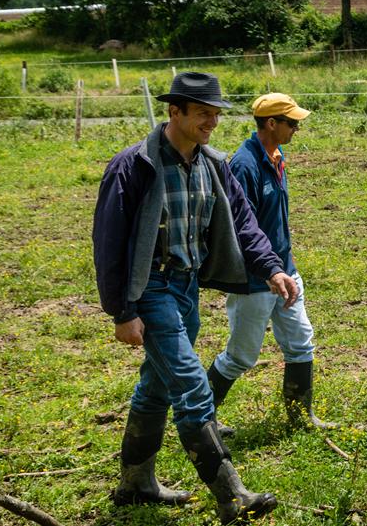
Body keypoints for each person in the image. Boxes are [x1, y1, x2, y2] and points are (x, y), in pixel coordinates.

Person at [93, 71, 297, 523]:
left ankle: (136, 482)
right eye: (203, 113)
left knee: (158, 384)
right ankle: (232, 495)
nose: (212, 121)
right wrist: (121, 313)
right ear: (174, 111)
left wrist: (272, 268)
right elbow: (108, 244)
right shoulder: (133, 166)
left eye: (216, 114)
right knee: (190, 383)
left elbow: (244, 223)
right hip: (151, 290)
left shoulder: (213, 164)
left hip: (186, 288)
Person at [208, 93, 335, 432]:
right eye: (292, 123)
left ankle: (300, 418)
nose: (297, 128)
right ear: (271, 123)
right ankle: (200, 422)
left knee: (300, 342)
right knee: (240, 356)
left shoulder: (277, 157)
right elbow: (239, 229)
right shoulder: (244, 166)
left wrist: (284, 267)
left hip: (285, 270)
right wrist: (267, 271)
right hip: (255, 279)